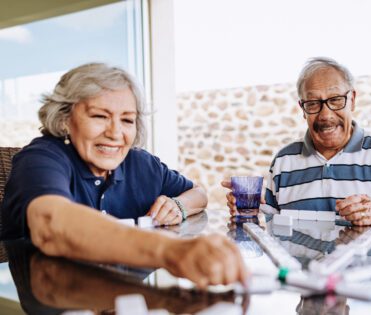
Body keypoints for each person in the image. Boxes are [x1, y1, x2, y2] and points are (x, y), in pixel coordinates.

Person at [0, 63, 247, 288]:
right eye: (99, 116)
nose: (115, 132)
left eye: (127, 120)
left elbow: (199, 194)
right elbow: (52, 224)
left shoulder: (140, 163)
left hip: (129, 296)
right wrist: (171, 250)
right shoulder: (41, 158)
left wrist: (179, 205)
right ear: (65, 118)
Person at [224, 57, 371, 226]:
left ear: (352, 99)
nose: (325, 115)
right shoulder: (284, 160)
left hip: (364, 273)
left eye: (336, 99)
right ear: (303, 109)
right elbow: (270, 226)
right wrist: (248, 212)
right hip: (303, 273)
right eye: (313, 103)